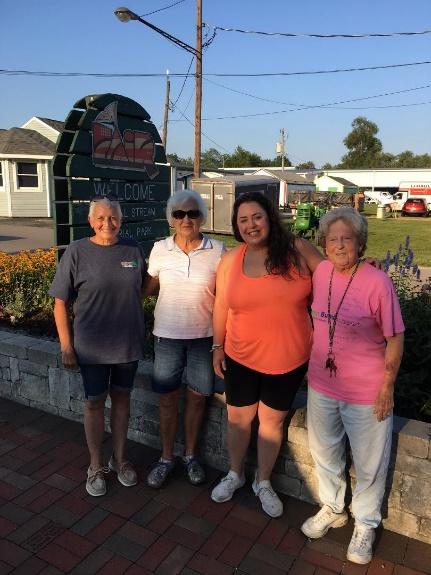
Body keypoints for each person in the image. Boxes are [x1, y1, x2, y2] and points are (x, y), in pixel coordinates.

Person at [301, 207, 404, 565]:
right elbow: (293, 241)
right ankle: (332, 506)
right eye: (333, 239)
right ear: (324, 244)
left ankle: (366, 522)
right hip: (322, 383)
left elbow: (395, 338)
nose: (340, 245)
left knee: (369, 462)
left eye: (348, 239)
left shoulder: (378, 282)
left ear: (360, 244)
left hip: (366, 390)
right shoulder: (323, 271)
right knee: (324, 451)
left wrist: (387, 384)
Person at [211, 191, 322, 517]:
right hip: (241, 356)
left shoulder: (298, 250)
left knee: (272, 424)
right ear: (236, 225)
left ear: (269, 217)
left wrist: (362, 269)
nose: (251, 225)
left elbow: (335, 279)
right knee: (238, 419)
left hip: (289, 358)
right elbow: (220, 305)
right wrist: (218, 346)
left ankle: (263, 482)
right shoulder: (231, 260)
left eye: (256, 217)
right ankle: (235, 473)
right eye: (243, 220)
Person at [49, 196, 146, 497]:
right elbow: (60, 303)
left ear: (121, 219)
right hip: (91, 347)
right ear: (90, 221)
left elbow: (143, 289)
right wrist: (67, 346)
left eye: (113, 217)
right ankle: (95, 465)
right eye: (101, 218)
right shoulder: (76, 252)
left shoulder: (133, 249)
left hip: (127, 345)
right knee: (94, 403)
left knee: (121, 401)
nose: (108, 223)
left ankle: (119, 460)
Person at [144, 189, 225, 489]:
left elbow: (229, 292)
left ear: (202, 217)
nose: (186, 219)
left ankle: (191, 456)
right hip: (167, 338)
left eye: (192, 213)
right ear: (171, 219)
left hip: (204, 339)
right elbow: (148, 286)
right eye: (179, 214)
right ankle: (166, 458)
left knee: (197, 400)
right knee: (167, 401)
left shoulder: (218, 250)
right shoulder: (159, 249)